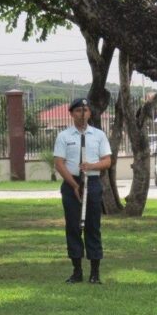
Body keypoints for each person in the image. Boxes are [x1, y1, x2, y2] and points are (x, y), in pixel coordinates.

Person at [54, 98, 112, 284]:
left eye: (85, 110)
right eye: (78, 110)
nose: (82, 113)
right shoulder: (64, 136)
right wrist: (73, 184)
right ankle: (77, 270)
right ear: (71, 113)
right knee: (73, 227)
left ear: (89, 113)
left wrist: (92, 166)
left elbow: (107, 161)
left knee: (93, 227)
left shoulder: (98, 135)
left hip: (92, 181)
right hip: (72, 183)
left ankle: (95, 273)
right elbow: (59, 163)